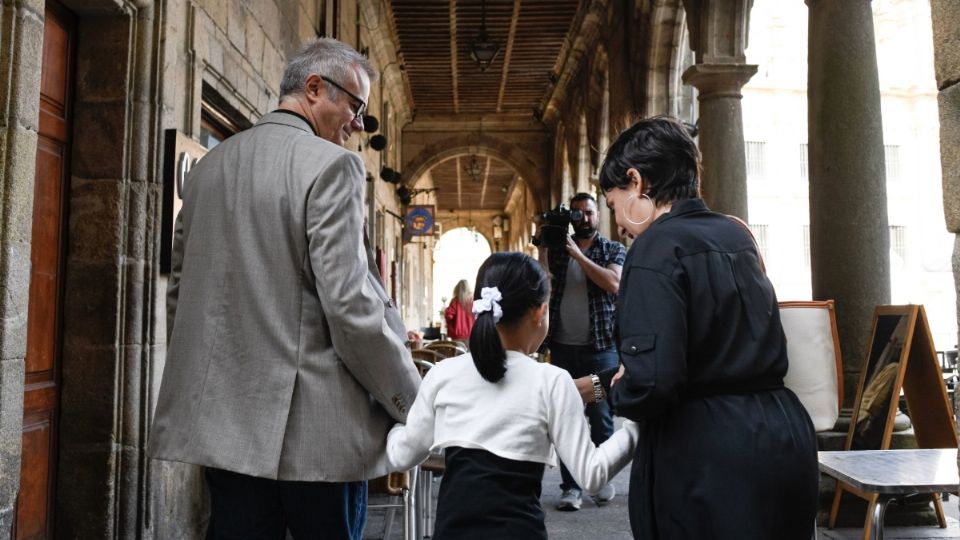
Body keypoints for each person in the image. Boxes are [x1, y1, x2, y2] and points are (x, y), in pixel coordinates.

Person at [148, 38, 421, 540]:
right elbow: (351, 309)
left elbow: (182, 295)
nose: (358, 124)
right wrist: (410, 400)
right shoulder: (331, 167)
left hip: (226, 432)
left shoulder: (209, 169)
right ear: (314, 88)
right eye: (355, 106)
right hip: (317, 441)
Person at [596, 116, 819, 539]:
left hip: (706, 456)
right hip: (783, 437)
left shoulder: (653, 249)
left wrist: (622, 386)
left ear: (636, 180)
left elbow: (651, 384)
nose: (619, 226)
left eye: (613, 205)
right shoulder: (736, 234)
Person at [386, 252, 638, 539]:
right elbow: (592, 475)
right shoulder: (552, 381)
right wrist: (637, 426)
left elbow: (402, 453)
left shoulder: (443, 374)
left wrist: (391, 428)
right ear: (540, 312)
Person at [543, 192, 626, 510]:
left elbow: (613, 284)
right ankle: (571, 487)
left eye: (588, 213)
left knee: (602, 418)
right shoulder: (558, 251)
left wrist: (577, 254)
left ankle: (599, 478)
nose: (584, 219)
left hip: (601, 348)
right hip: (564, 347)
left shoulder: (612, 248)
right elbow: (543, 281)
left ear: (597, 215)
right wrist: (547, 244)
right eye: (576, 214)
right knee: (566, 417)